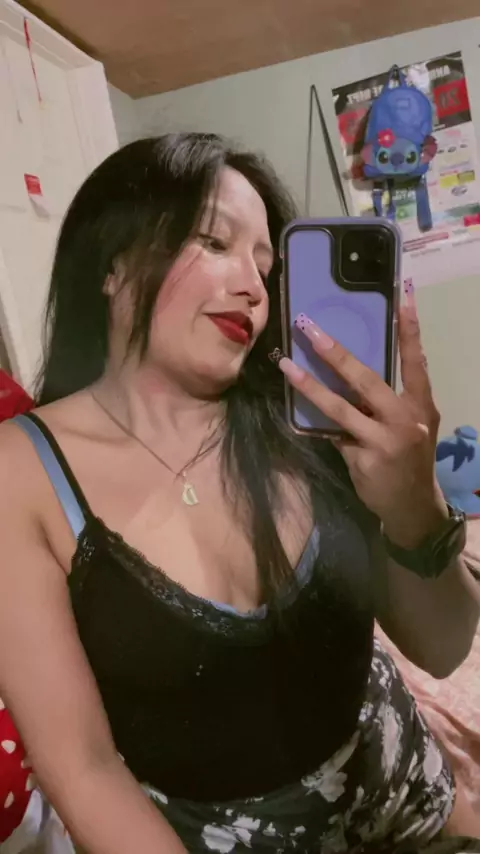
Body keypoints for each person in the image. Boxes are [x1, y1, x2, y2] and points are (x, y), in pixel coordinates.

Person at [0, 133, 478, 854]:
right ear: (113, 263)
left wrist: (418, 512)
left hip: (406, 793)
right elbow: (84, 768)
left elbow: (442, 649)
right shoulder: (22, 471)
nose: (254, 286)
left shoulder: (308, 421)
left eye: (266, 265)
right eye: (214, 241)